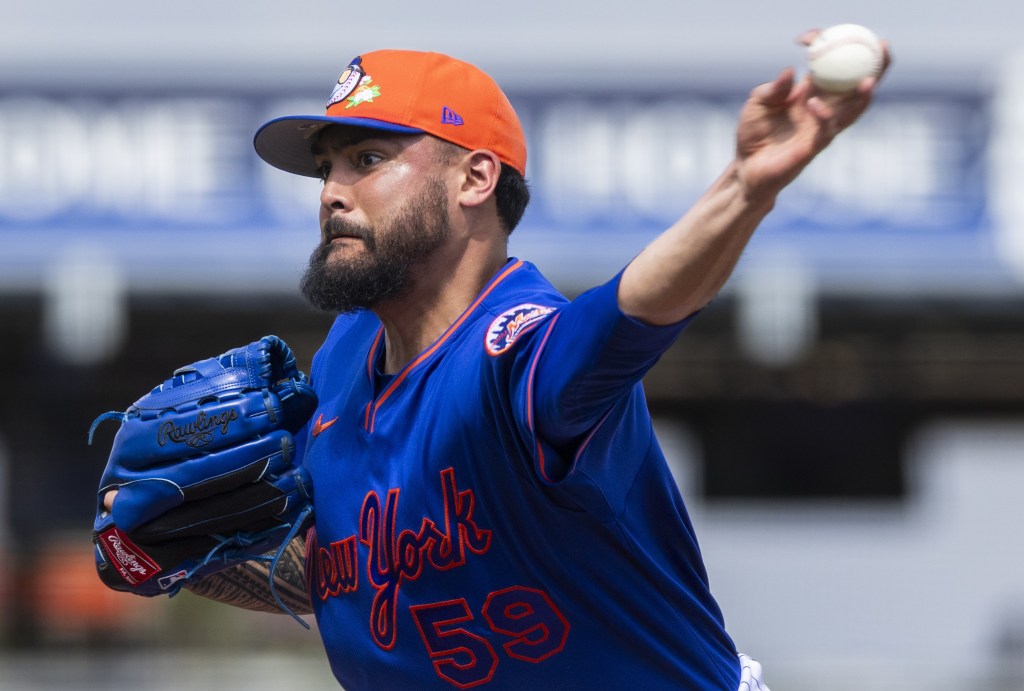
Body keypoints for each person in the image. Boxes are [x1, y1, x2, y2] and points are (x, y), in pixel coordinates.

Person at [183, 43, 888, 690]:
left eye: (367, 159)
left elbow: (631, 310)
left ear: (476, 177)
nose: (332, 191)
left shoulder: (512, 350)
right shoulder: (342, 360)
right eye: (326, 167)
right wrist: (180, 551)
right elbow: (339, 575)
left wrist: (745, 187)